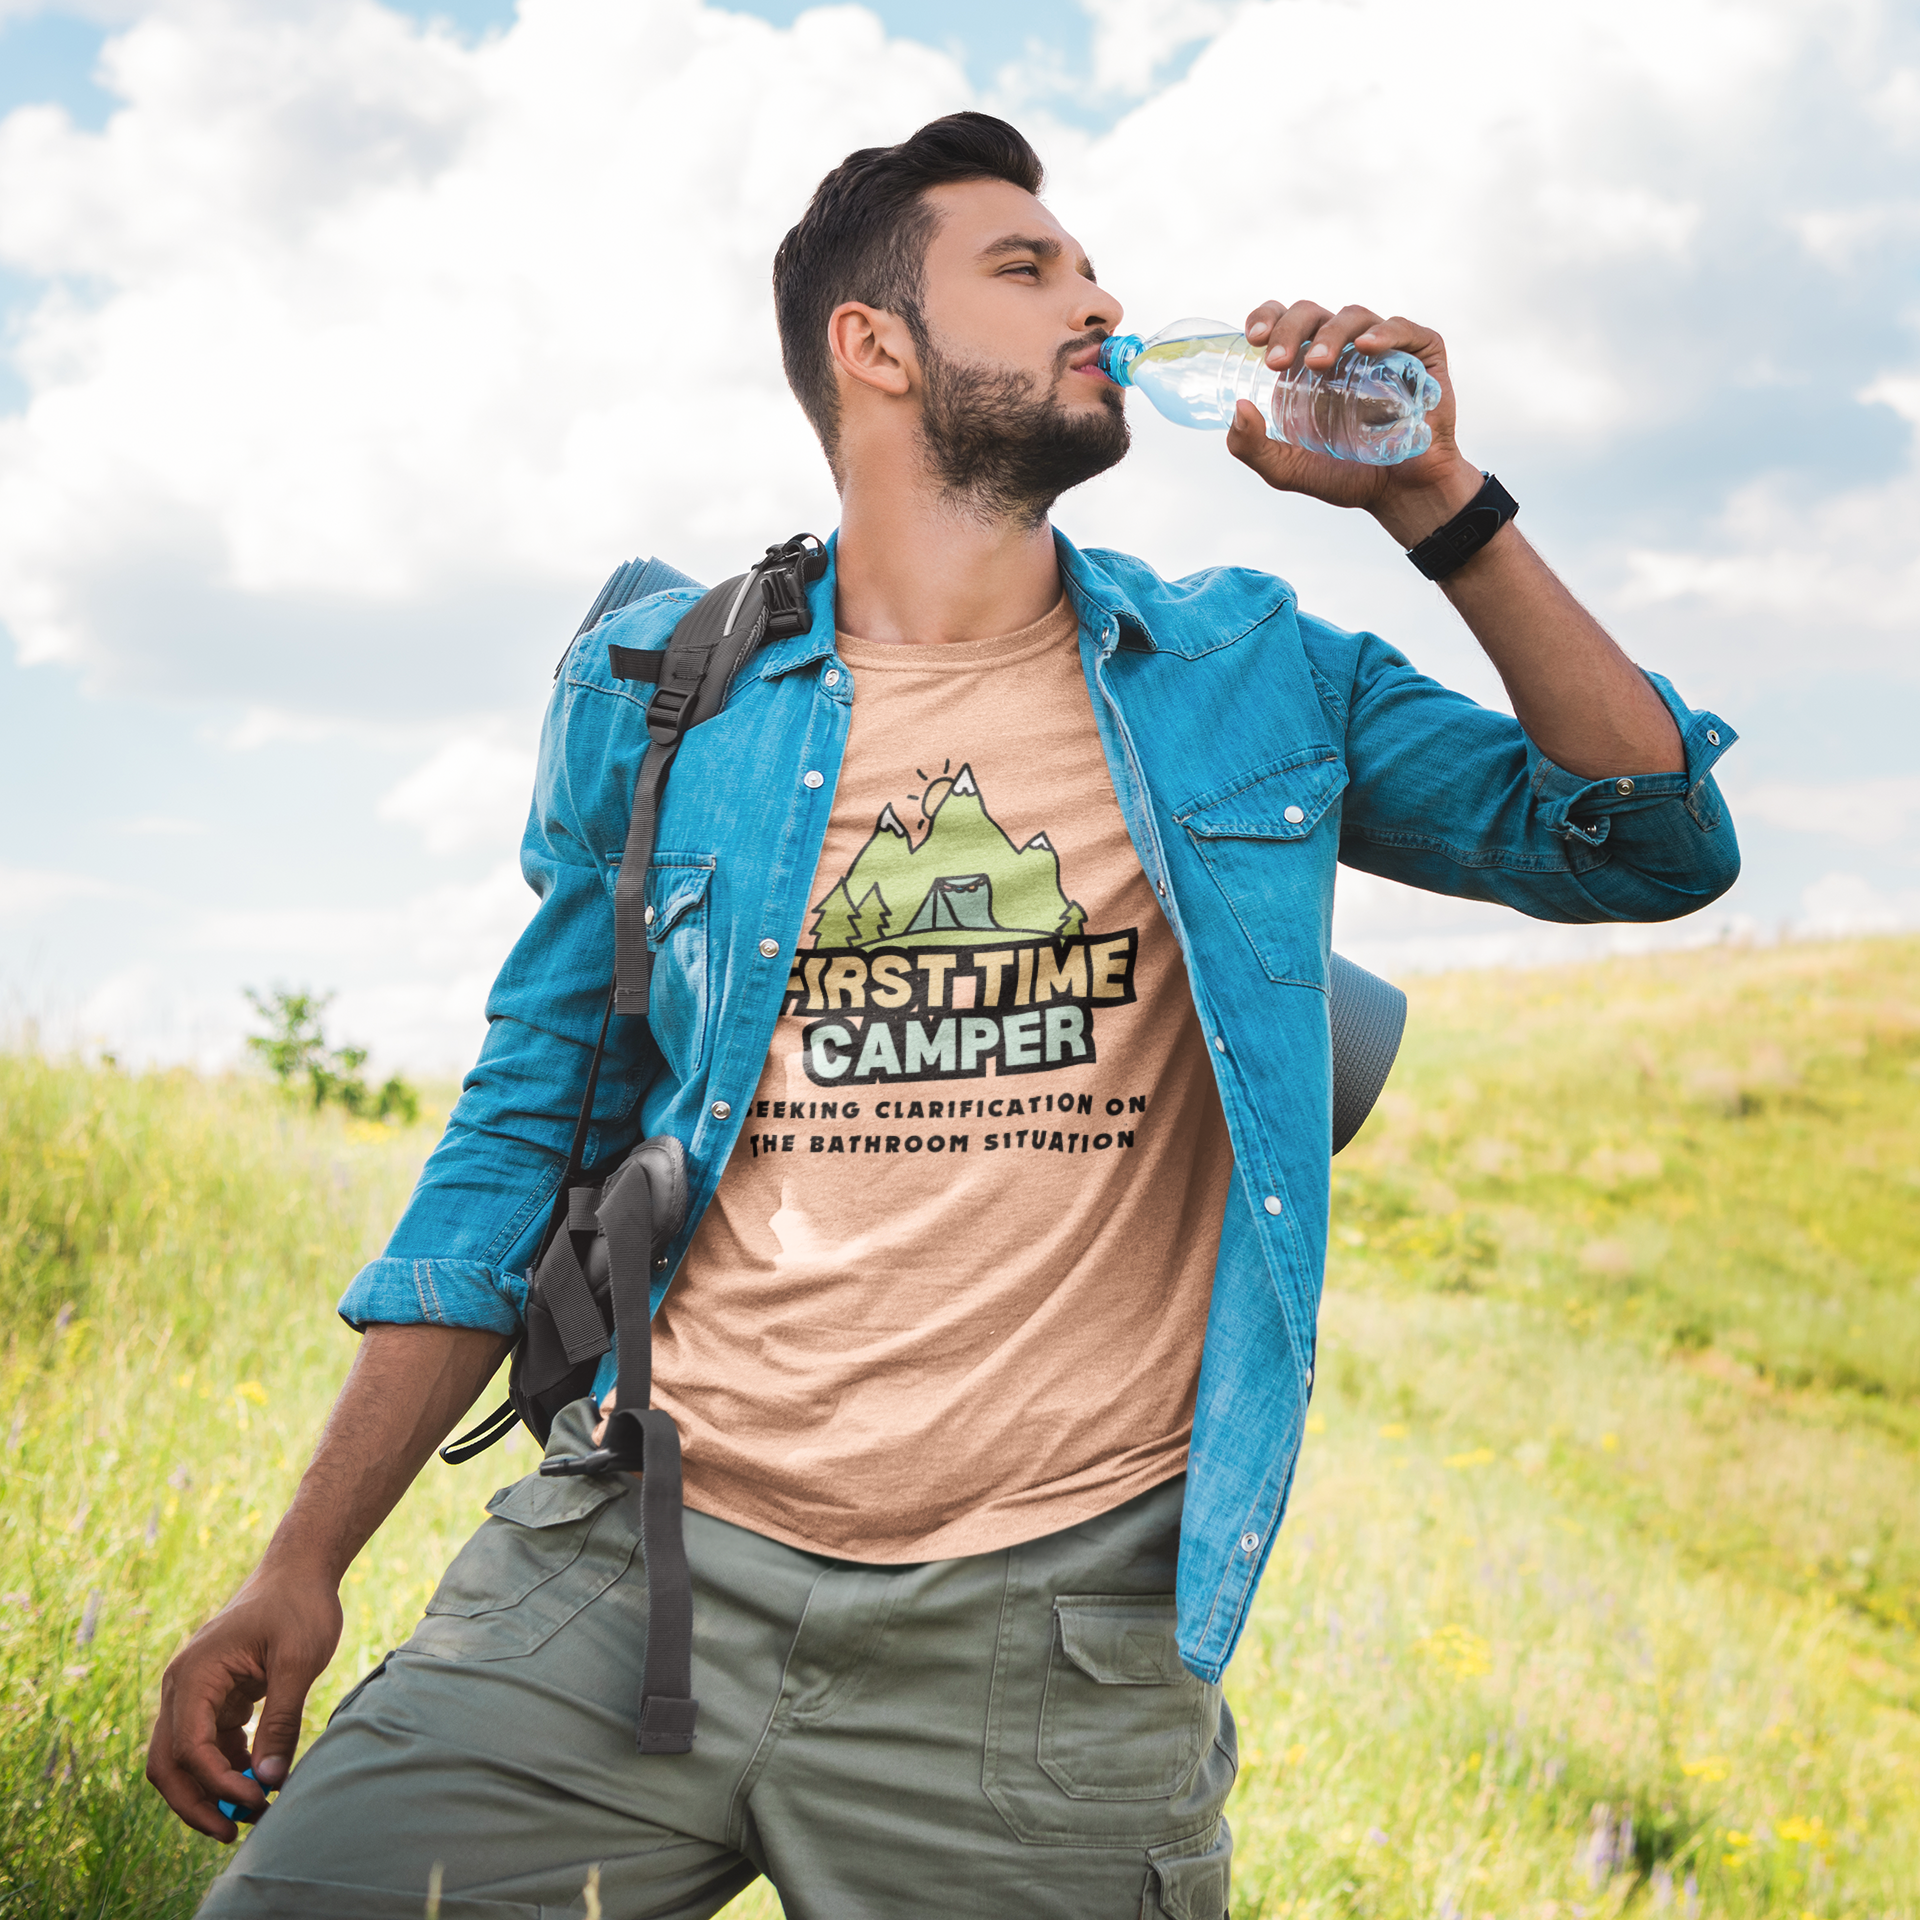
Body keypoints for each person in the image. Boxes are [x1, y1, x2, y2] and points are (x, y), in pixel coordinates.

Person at [151, 112, 1738, 1918]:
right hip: (631, 1562)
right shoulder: (666, 693)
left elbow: (1649, 839)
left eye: (1086, 265)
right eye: (1028, 266)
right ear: (873, 345)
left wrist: (1436, 501)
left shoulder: (1247, 672)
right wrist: (303, 1561)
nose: (1101, 296)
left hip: (1044, 1647)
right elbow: (525, 1128)